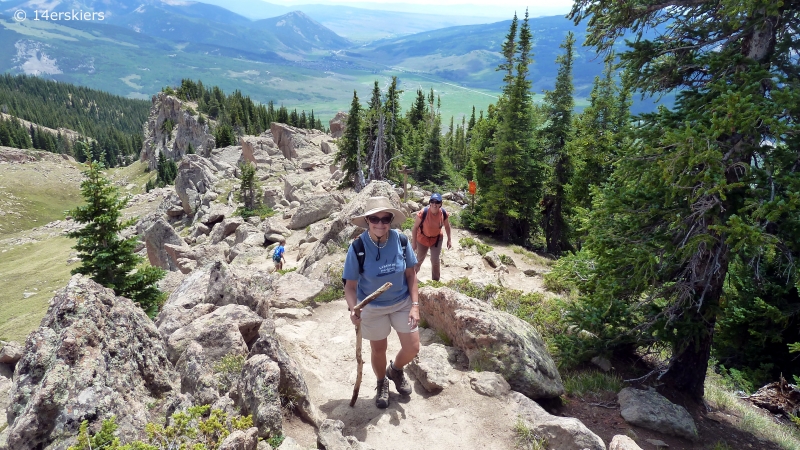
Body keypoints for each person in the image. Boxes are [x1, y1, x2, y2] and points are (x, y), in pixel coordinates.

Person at [343, 196, 420, 409]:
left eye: (385, 218)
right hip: (371, 307)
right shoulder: (357, 247)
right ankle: (381, 382)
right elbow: (350, 286)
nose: (380, 223)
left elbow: (411, 275)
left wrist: (415, 305)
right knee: (379, 349)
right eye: (374, 218)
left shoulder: (401, 241)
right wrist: (353, 308)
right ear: (367, 220)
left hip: (402, 302)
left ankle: (394, 369)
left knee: (413, 347)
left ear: (391, 220)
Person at [411, 193, 452, 281]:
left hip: (436, 238)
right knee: (419, 260)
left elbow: (447, 226)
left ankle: (435, 281)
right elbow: (414, 228)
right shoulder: (423, 213)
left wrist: (449, 240)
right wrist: (413, 243)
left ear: (440, 204)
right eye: (432, 202)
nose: (434, 204)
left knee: (435, 260)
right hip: (422, 238)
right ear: (429, 203)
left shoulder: (443, 213)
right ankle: (411, 279)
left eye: (437, 202)